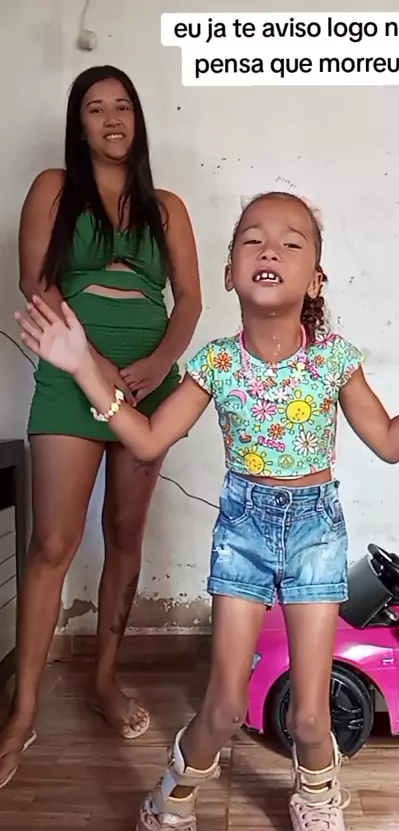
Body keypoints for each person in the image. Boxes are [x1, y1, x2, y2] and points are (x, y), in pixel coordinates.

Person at [14, 190, 399, 831]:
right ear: (231, 272)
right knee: (226, 707)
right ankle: (166, 811)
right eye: (252, 239)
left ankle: (317, 802)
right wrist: (85, 366)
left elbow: (391, 442)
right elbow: (146, 439)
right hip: (244, 532)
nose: (270, 249)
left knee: (312, 718)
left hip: (316, 534)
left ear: (315, 279)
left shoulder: (335, 360)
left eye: (292, 241)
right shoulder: (215, 364)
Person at [0, 65, 201, 789]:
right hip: (69, 378)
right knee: (53, 543)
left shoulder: (167, 207)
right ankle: (23, 711)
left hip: (147, 384)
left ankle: (103, 680)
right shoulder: (55, 188)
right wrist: (91, 364)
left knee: (124, 533)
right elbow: (35, 281)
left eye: (123, 106)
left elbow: (189, 301)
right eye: (95, 108)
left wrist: (159, 362)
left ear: (137, 120)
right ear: (78, 123)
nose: (112, 118)